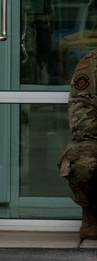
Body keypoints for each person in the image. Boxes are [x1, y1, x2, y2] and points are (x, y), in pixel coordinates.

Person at [59, 52, 97, 239]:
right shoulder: (92, 62)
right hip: (95, 138)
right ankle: (92, 214)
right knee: (83, 164)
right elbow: (82, 119)